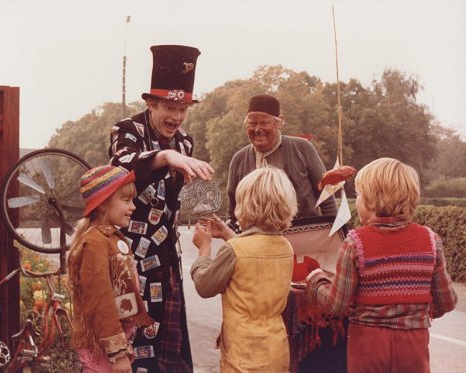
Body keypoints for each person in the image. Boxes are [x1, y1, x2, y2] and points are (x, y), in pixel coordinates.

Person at [109, 45, 214, 372]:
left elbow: (184, 199)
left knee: (171, 350)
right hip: (131, 260)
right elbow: (121, 168)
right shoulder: (127, 131)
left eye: (182, 109)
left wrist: (204, 200)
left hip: (167, 260)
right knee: (133, 345)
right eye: (169, 107)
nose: (176, 117)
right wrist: (164, 158)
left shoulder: (185, 142)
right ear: (151, 103)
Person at [306, 157, 458, 373]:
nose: (356, 200)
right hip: (413, 346)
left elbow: (335, 306)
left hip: (368, 344)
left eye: (358, 195)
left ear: (371, 200)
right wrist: (414, 313)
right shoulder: (430, 240)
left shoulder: (355, 243)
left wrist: (316, 281)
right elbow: (447, 302)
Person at [191, 166, 298, 372]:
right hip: (276, 349)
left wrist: (204, 248)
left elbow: (205, 285)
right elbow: (254, 259)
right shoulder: (285, 246)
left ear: (247, 208)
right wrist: (229, 234)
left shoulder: (235, 249)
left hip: (243, 353)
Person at [68, 165, 153, 373]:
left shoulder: (108, 237)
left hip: (109, 343)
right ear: (103, 204)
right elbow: (100, 300)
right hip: (102, 348)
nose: (133, 207)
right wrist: (117, 353)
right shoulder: (95, 242)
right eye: (126, 200)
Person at [227, 94, 337, 230]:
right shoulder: (239, 159)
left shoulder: (302, 148)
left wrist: (334, 232)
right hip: (255, 242)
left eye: (264, 123)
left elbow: (326, 195)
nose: (257, 129)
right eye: (252, 124)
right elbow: (233, 211)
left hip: (304, 234)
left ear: (279, 122)